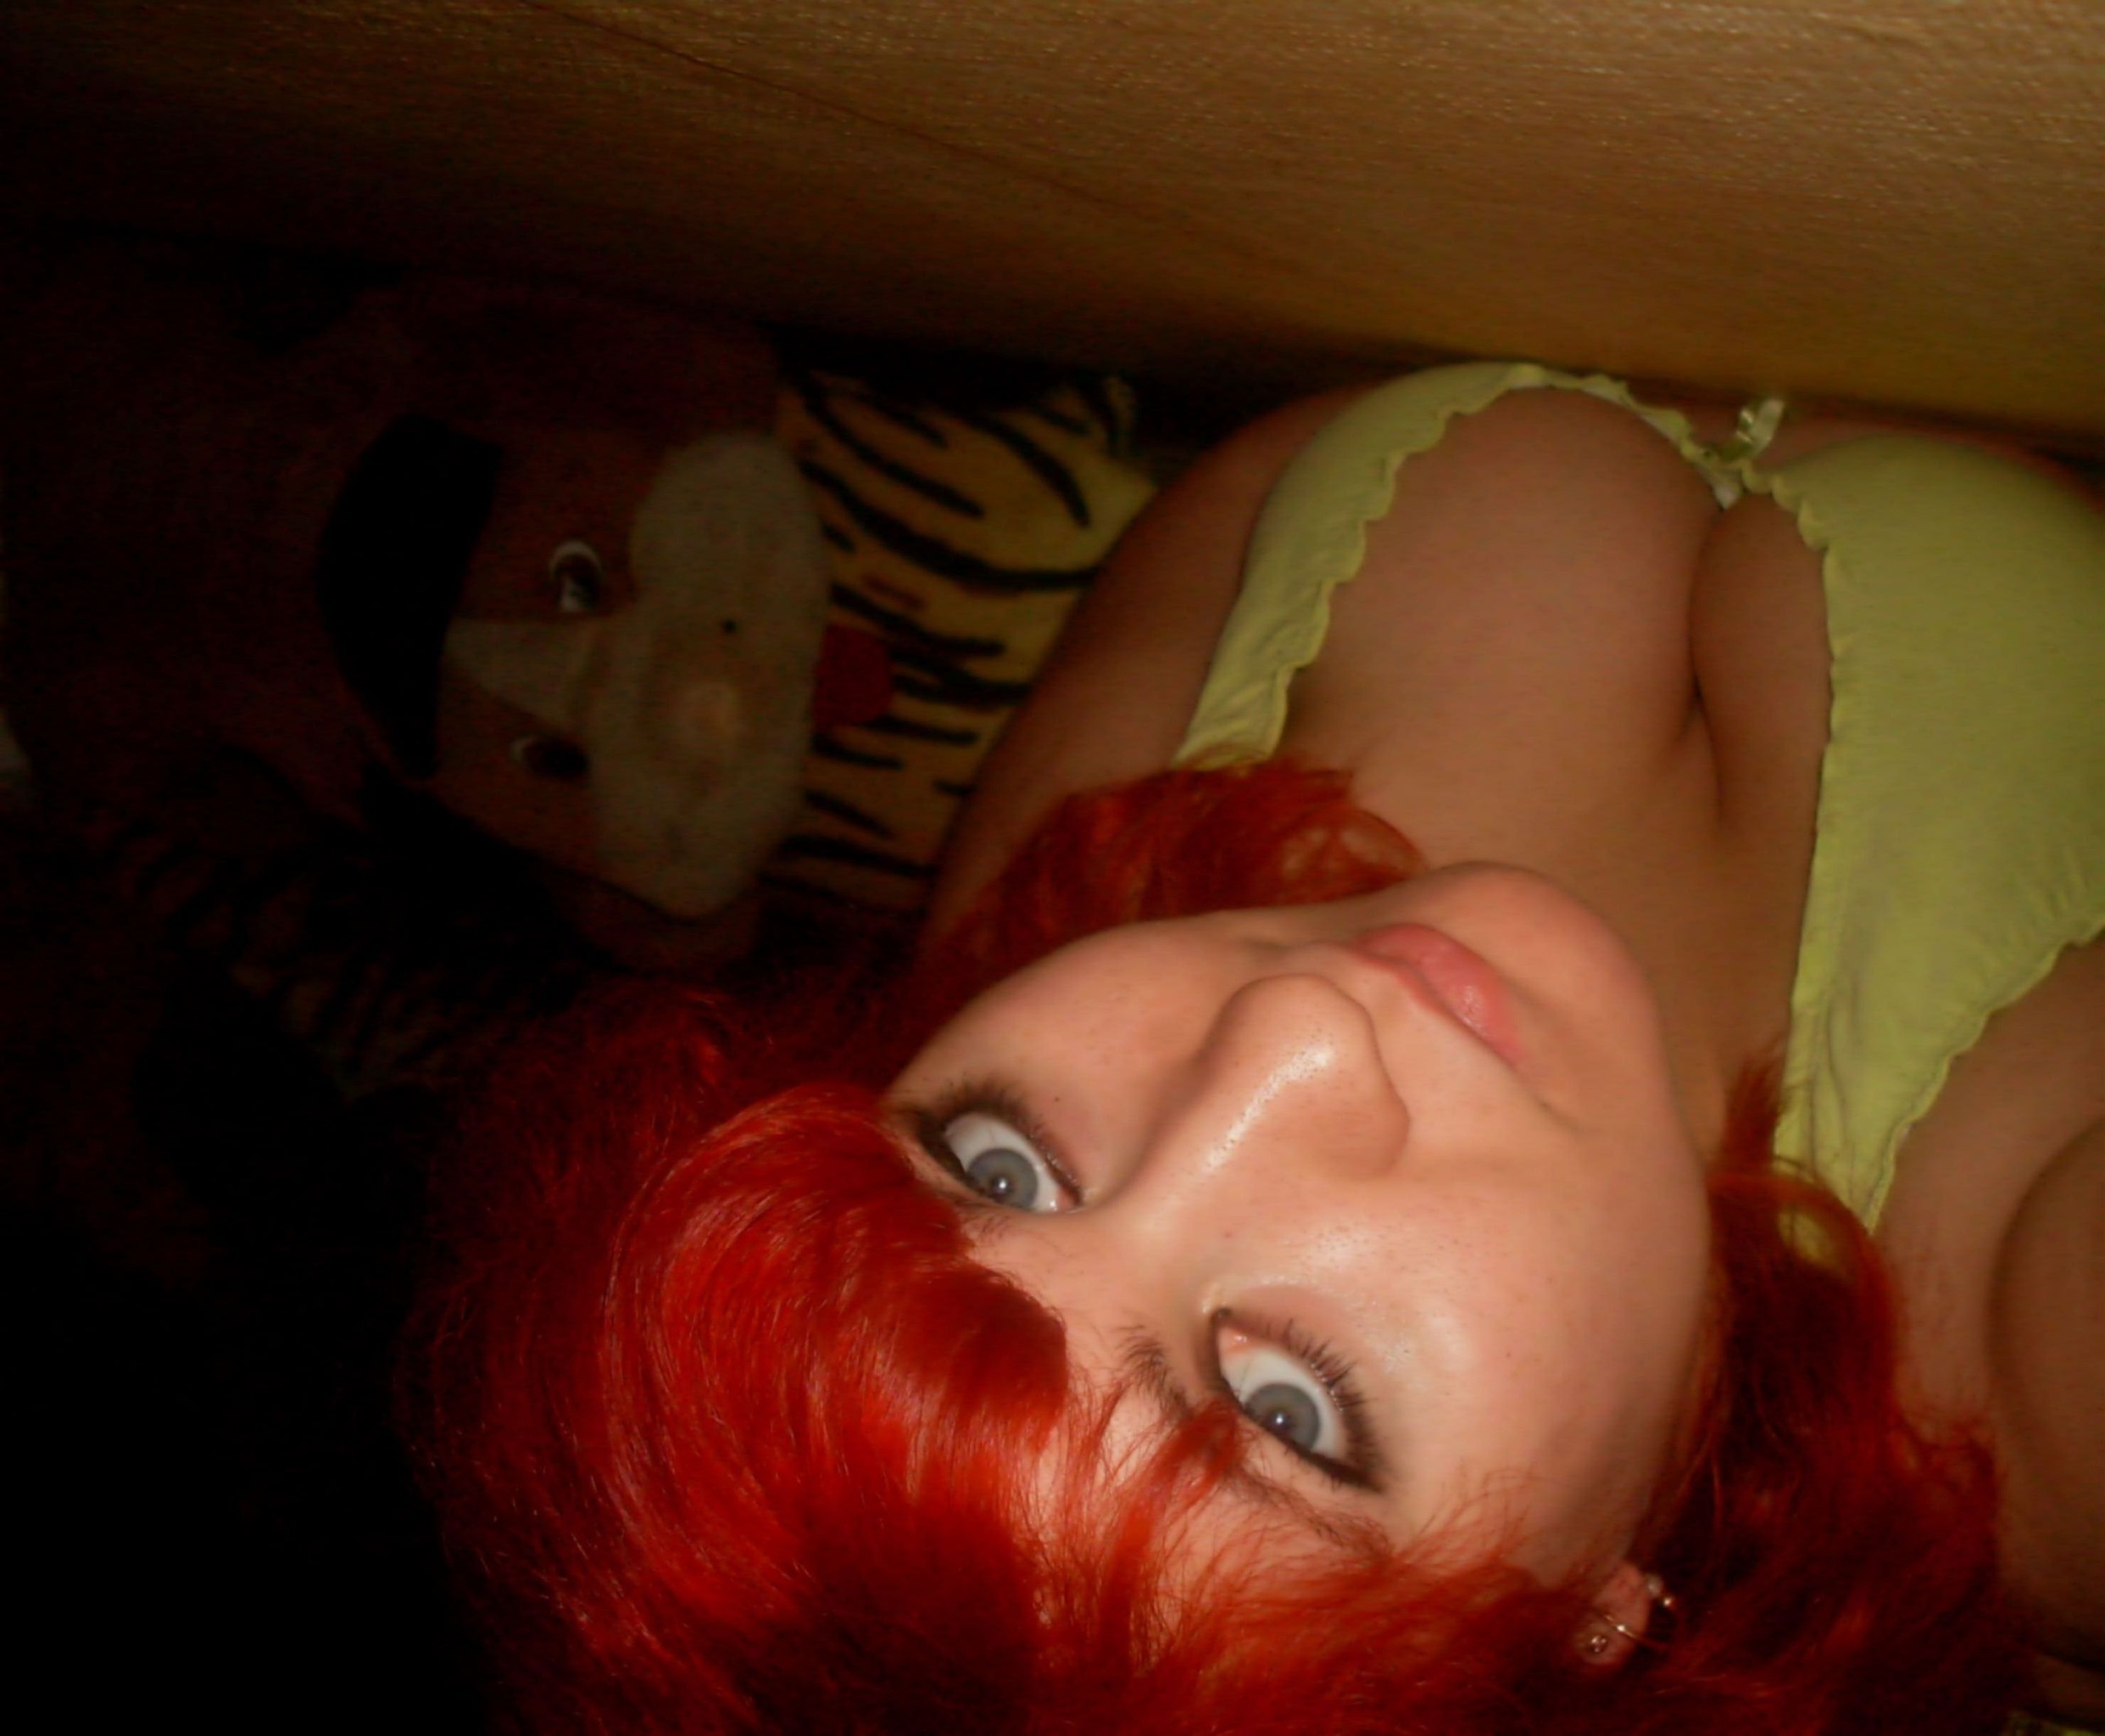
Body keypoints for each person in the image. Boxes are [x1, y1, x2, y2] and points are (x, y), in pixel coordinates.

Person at [416, 361, 2105, 1733]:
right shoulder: (2051, 1419)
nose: (1289, 1035)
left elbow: (1249, 475)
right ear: (1576, 1626)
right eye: (1291, 1408)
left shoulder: (1040, 916)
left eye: (1002, 1164)